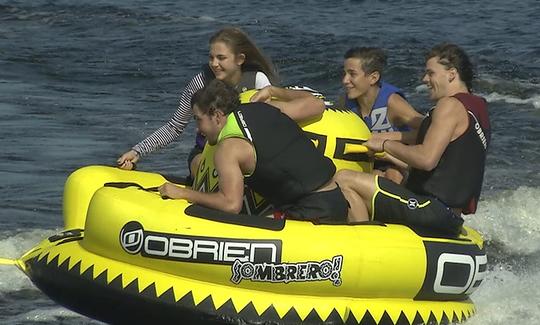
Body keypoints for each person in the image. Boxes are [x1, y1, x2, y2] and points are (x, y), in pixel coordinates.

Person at [335, 43, 490, 235]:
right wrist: (387, 146)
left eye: (430, 73)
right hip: (450, 214)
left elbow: (426, 159)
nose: (425, 79)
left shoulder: (449, 105)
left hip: (431, 210)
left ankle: (364, 245)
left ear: (451, 73)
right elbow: (444, 162)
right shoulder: (476, 107)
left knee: (343, 179)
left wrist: (386, 144)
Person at [159, 79, 349, 222]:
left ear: (217, 116)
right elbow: (316, 104)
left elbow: (231, 205)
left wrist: (183, 193)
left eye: (198, 119)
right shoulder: (263, 108)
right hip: (337, 197)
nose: (197, 129)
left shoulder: (228, 148)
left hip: (311, 213)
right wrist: (273, 90)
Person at [117, 27, 278, 179]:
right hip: (205, 153)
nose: (214, 63)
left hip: (246, 151)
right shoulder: (200, 82)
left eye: (221, 58)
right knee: (206, 166)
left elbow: (271, 125)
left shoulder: (258, 81)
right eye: (211, 57)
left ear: (240, 59)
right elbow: (174, 126)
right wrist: (137, 152)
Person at [342, 47, 424, 183]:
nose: (345, 80)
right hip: (372, 162)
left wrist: (385, 138)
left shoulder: (392, 103)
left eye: (352, 74)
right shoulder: (345, 103)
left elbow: (429, 131)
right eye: (344, 73)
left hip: (399, 162)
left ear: (373, 78)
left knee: (393, 174)